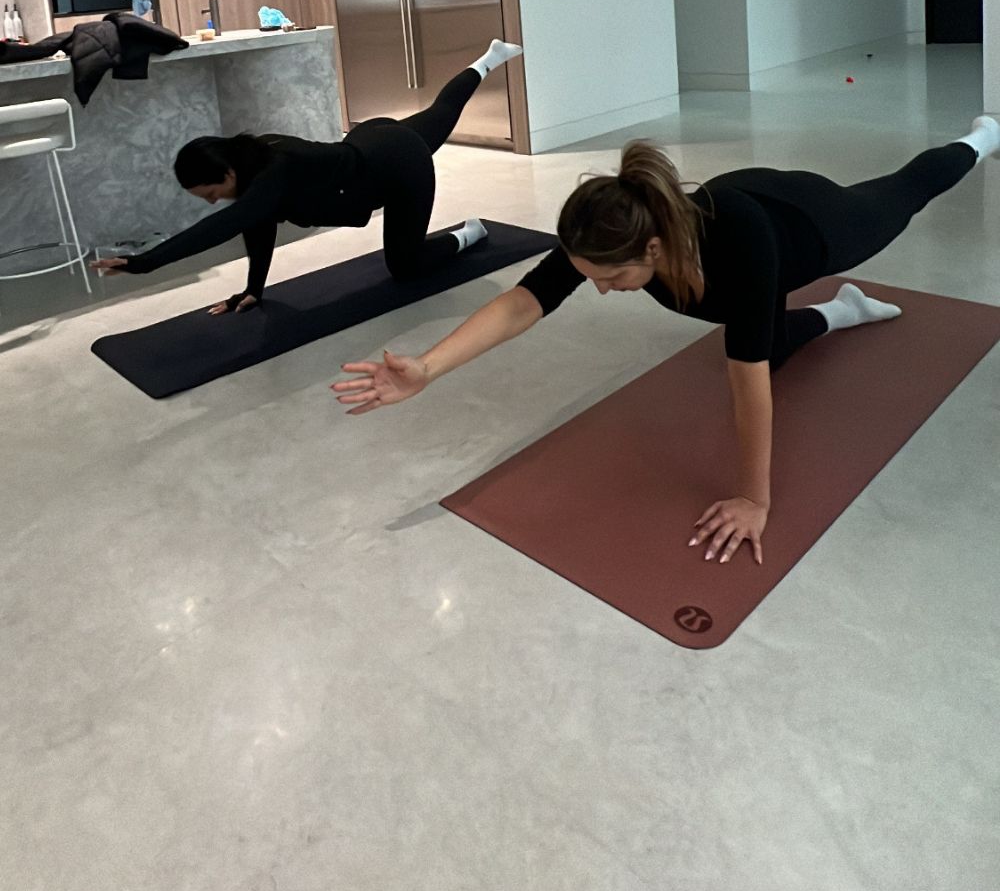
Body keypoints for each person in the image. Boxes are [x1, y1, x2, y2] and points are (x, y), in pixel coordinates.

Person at [333, 114, 1000, 566]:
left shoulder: (739, 248)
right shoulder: (613, 232)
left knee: (904, 193)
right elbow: (525, 301)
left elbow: (748, 385)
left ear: (652, 248)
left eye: (612, 277)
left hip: (809, 222)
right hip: (730, 228)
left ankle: (980, 137)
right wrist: (428, 367)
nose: (599, 289)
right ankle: (844, 313)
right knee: (762, 341)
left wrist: (754, 498)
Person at [91, 39, 523, 313]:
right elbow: (257, 225)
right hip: (373, 139)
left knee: (405, 266)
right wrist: (254, 289)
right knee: (441, 112)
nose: (212, 201)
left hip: (399, 165)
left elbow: (223, 226)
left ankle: (469, 234)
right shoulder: (254, 165)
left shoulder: (271, 170)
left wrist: (144, 263)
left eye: (210, 192)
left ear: (226, 171)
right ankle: (489, 58)